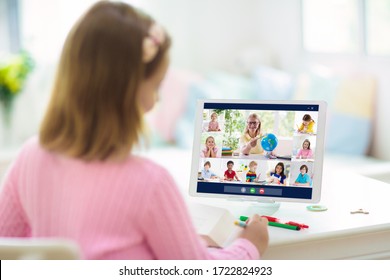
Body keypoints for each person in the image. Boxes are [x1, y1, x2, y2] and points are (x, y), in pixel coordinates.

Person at [0, 1, 268, 259]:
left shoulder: (28, 157)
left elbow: (7, 245)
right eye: (154, 87)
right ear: (126, 93)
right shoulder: (150, 184)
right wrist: (249, 245)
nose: (155, 101)